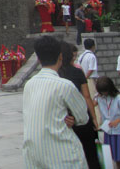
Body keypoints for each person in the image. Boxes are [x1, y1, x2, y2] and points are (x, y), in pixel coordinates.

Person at [23, 35, 89, 168]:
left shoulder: (29, 84)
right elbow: (83, 117)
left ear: (39, 59)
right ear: (60, 56)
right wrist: (73, 119)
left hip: (33, 154)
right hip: (62, 154)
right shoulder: (65, 85)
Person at [58, 42, 100, 168]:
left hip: (65, 118)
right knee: (90, 152)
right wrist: (94, 119)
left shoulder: (58, 74)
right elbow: (86, 96)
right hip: (80, 116)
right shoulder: (77, 72)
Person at [95, 76, 120, 169]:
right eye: (101, 92)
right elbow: (91, 104)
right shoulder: (99, 97)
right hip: (108, 131)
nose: (103, 94)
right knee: (111, 156)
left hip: (118, 131)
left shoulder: (118, 98)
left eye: (105, 91)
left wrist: (117, 121)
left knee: (119, 156)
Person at [79, 39, 102, 126]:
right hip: (90, 79)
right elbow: (91, 69)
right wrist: (85, 79)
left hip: (84, 79)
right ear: (93, 46)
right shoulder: (91, 56)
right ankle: (97, 121)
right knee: (94, 99)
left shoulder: (81, 56)